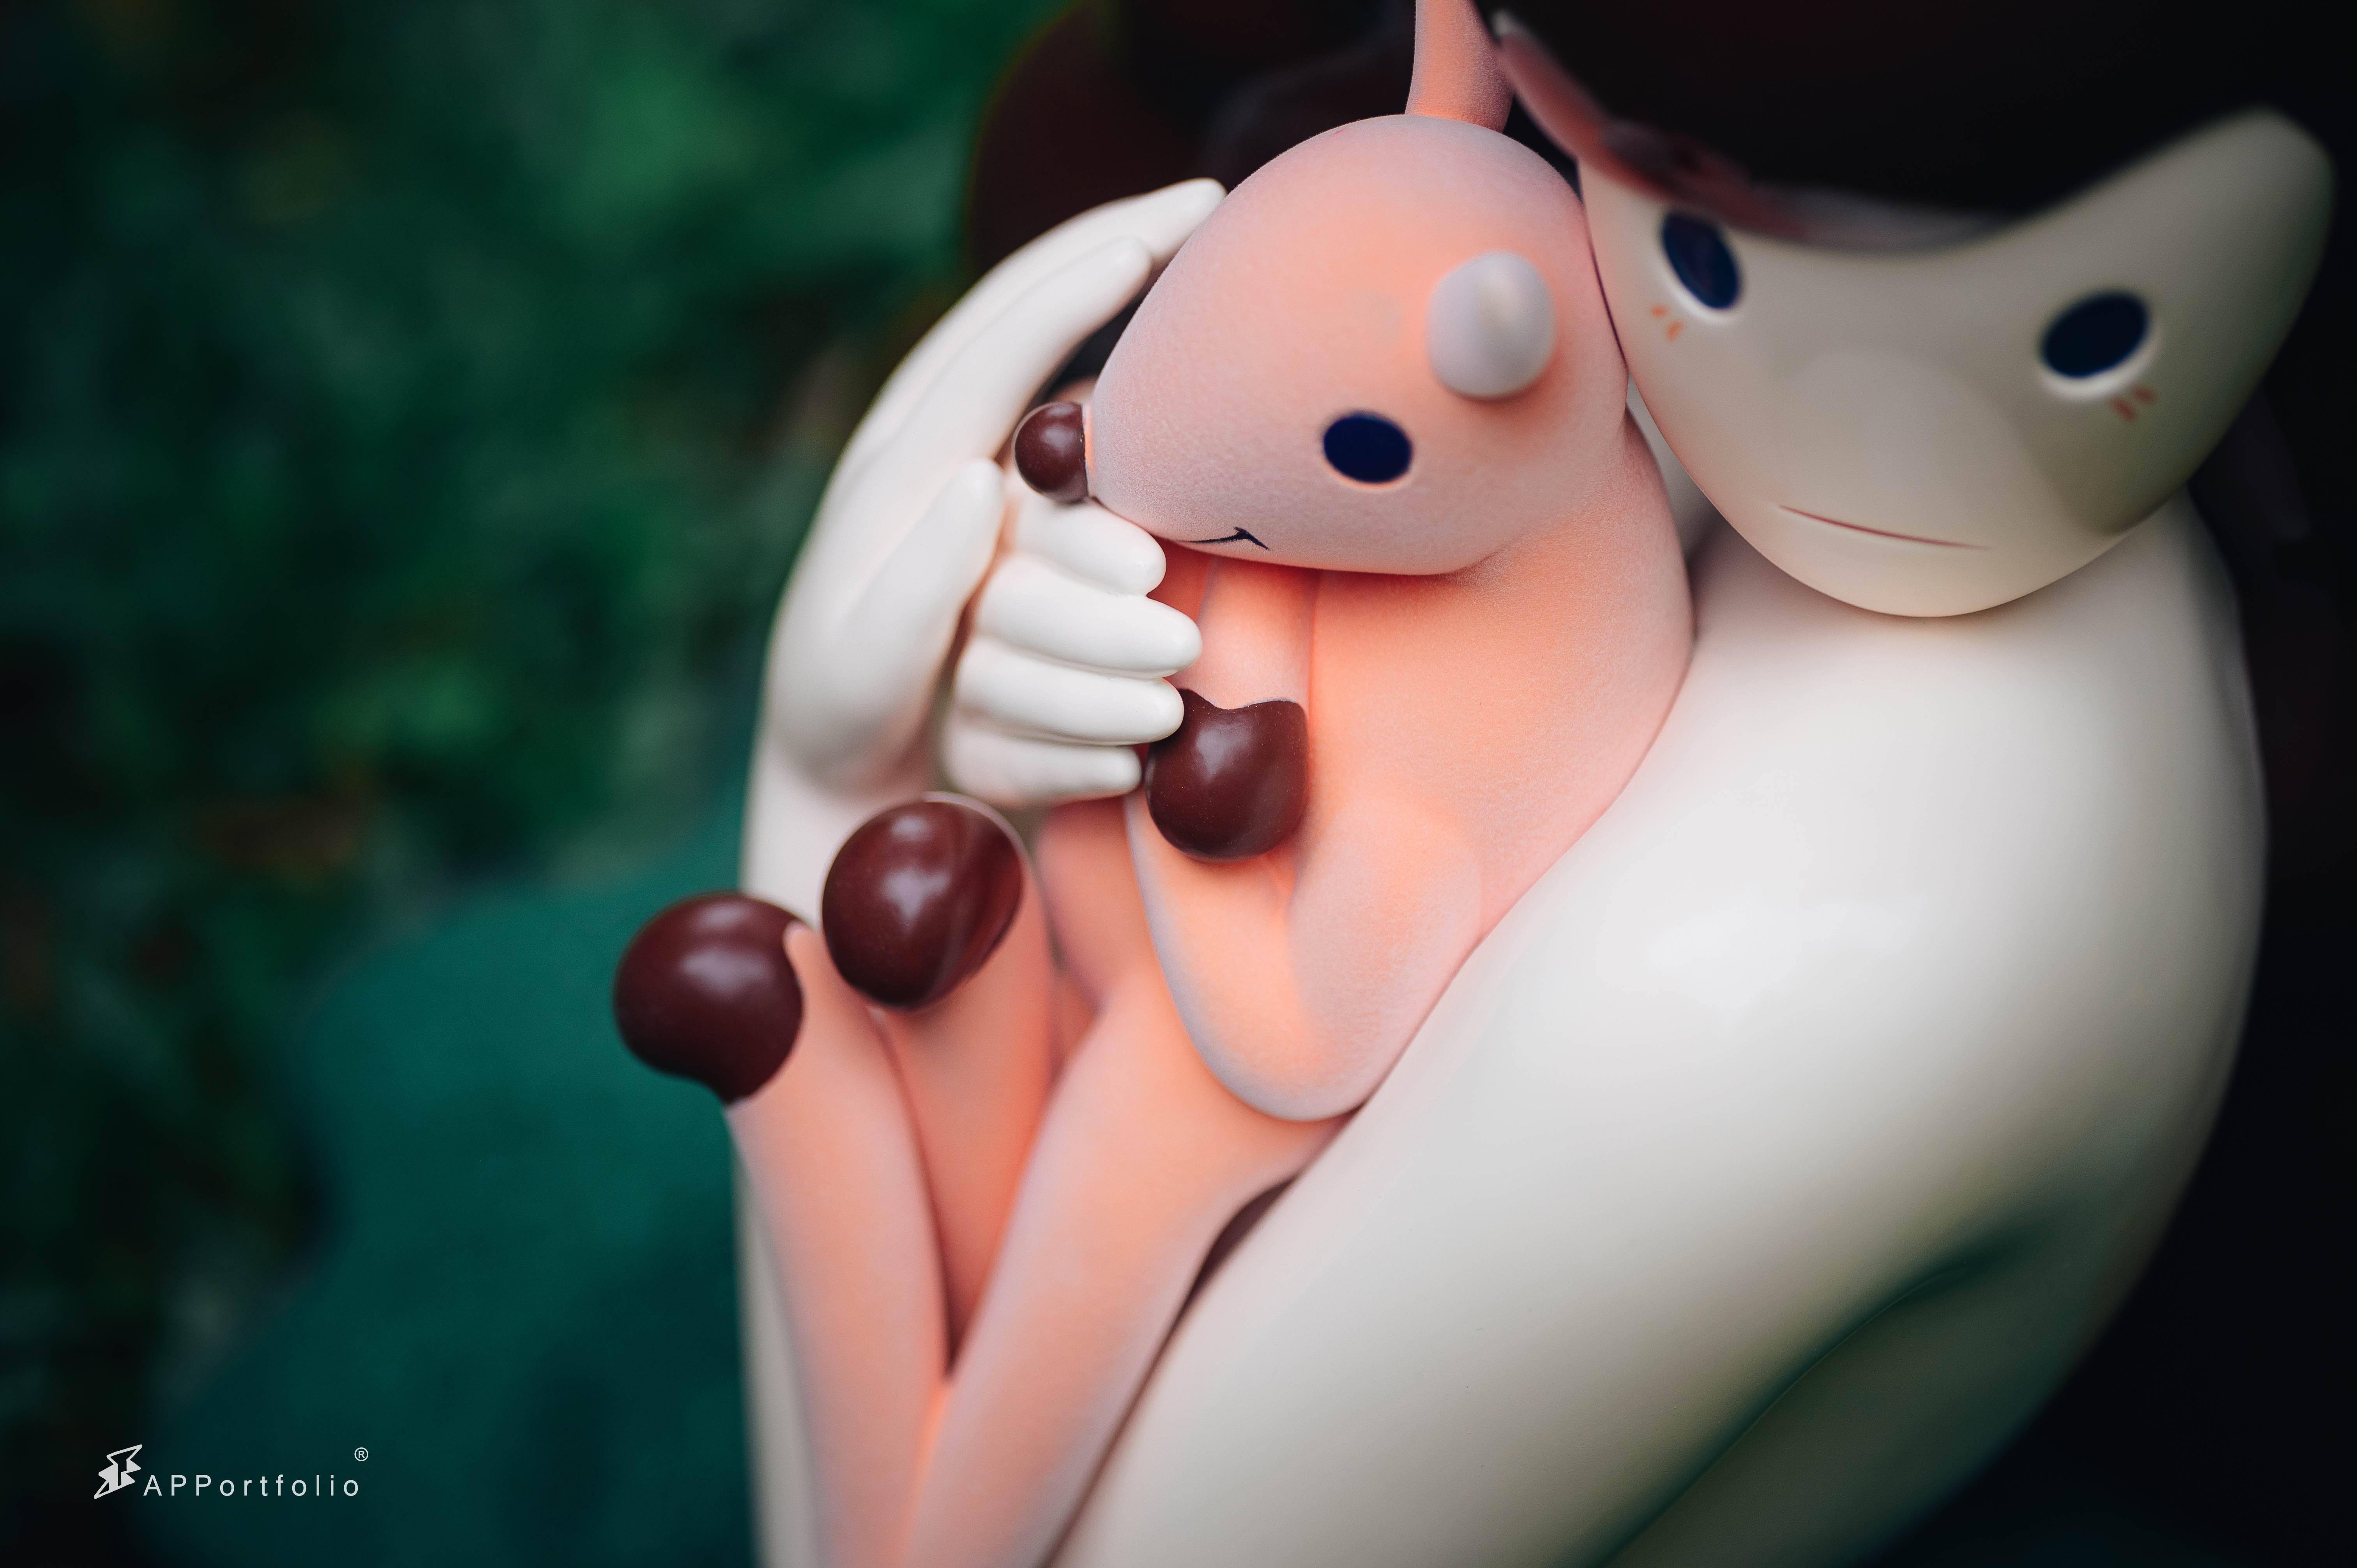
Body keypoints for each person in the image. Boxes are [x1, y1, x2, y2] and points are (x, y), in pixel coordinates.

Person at [728, 4, 2334, 1563]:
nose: (1859, 406)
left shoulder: (1824, 947)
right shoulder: (1619, 375)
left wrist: (831, 783)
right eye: (1698, 257)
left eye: (2093, 340)